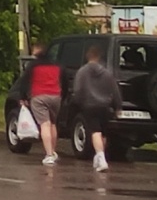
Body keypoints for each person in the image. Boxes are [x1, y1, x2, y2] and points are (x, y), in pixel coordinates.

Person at [70, 40, 121, 174]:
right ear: (99, 57)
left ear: (88, 56)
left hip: (90, 105)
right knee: (103, 133)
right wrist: (118, 107)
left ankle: (101, 158)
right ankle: (99, 157)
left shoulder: (82, 71)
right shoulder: (107, 73)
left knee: (95, 131)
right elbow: (115, 90)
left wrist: (79, 102)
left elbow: (78, 89)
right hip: (105, 106)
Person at [27, 40, 64, 167]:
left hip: (39, 96)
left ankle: (48, 155)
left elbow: (25, 81)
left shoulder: (33, 65)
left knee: (45, 124)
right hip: (55, 96)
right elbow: (64, 81)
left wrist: (23, 97)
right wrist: (62, 95)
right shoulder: (57, 65)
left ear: (37, 51)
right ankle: (53, 152)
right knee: (53, 124)